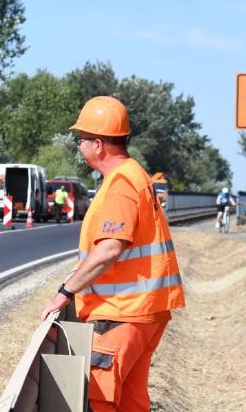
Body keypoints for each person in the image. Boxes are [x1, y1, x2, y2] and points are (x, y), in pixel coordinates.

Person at [41, 96, 185, 412]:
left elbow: (110, 248)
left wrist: (66, 291)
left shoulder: (121, 184)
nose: (79, 146)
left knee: (100, 400)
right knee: (132, 402)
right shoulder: (135, 175)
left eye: (82, 140)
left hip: (122, 312)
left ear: (99, 144)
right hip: (144, 312)